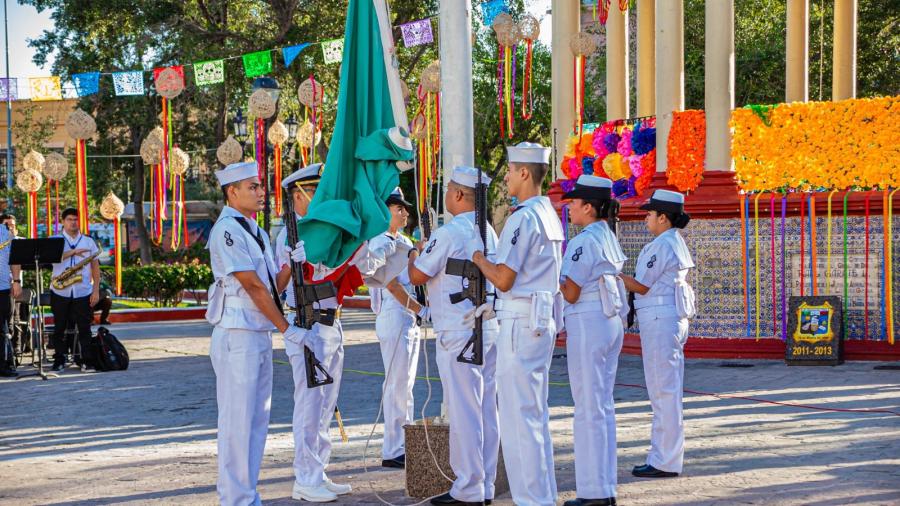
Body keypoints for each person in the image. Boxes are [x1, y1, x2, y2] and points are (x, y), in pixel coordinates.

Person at [464, 143, 563, 506]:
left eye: (509, 170)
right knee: (533, 414)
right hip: (536, 319)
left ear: (525, 173)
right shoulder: (548, 213)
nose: (506, 176)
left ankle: (532, 500)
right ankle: (541, 495)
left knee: (518, 419)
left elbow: (504, 279)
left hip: (521, 321)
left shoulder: (524, 217)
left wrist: (478, 257)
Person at [205, 161, 308, 506]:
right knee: (237, 421)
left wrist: (290, 268)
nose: (261, 192)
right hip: (237, 334)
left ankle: (248, 494)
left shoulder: (256, 231)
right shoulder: (227, 230)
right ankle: (235, 498)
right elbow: (250, 285)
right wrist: (286, 327)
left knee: (256, 419)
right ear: (232, 192)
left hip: (257, 332)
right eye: (253, 186)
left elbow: (270, 288)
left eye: (260, 185)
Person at [408, 166, 501, 506]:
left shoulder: (449, 232)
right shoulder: (489, 231)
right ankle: (485, 483)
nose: (446, 194)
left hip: (459, 329)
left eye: (448, 189)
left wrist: (414, 253)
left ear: (459, 195)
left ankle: (468, 488)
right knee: (487, 410)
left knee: (464, 411)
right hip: (487, 328)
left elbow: (418, 273)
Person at [274, 163, 364, 503]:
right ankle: (304, 477)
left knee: (326, 405)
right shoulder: (290, 234)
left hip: (330, 323)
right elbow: (276, 287)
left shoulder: (323, 232)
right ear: (299, 195)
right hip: (306, 324)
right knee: (310, 406)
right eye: (315, 192)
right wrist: (290, 264)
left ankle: (318, 471)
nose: (322, 197)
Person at [558, 176, 626, 506]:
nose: (569, 208)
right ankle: (604, 487)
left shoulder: (584, 240)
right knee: (601, 407)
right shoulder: (606, 234)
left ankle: (593, 491)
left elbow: (570, 292)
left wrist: (550, 276)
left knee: (588, 408)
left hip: (587, 320)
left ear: (588, 207)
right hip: (608, 320)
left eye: (573, 203)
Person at [619, 189, 695, 479]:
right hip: (663, 319)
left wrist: (613, 276)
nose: (647, 218)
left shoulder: (664, 244)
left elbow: (642, 286)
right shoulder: (667, 242)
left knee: (663, 390)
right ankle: (663, 455)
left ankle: (665, 460)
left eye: (650, 213)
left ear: (664, 218)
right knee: (663, 389)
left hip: (662, 320)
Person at [365, 187, 424, 469]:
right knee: (397, 384)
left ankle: (404, 443)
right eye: (398, 208)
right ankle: (393, 447)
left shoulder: (404, 241)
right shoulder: (380, 242)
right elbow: (391, 283)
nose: (404, 213)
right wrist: (421, 309)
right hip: (394, 312)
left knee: (406, 385)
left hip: (407, 316)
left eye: (404, 208)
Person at [49, 208, 101, 372]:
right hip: (60, 290)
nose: (73, 222)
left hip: (82, 290)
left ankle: (86, 360)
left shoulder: (88, 241)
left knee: (85, 327)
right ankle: (59, 359)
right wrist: (72, 252)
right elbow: (50, 258)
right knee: (59, 328)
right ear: (63, 222)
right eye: (70, 219)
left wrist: (96, 290)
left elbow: (95, 267)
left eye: (76, 219)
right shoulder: (55, 240)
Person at [0, 215, 22, 377]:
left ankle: (4, 364)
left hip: (3, 287)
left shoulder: (6, 232)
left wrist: (16, 281)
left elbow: (15, 259)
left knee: (3, 328)